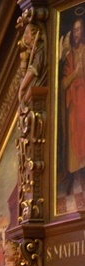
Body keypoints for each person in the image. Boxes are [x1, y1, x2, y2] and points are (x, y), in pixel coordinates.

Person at [61, 17, 85, 194]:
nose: (77, 33)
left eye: (80, 29)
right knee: (73, 136)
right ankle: (75, 175)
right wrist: (74, 75)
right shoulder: (68, 57)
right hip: (73, 104)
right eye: (74, 30)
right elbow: (62, 84)